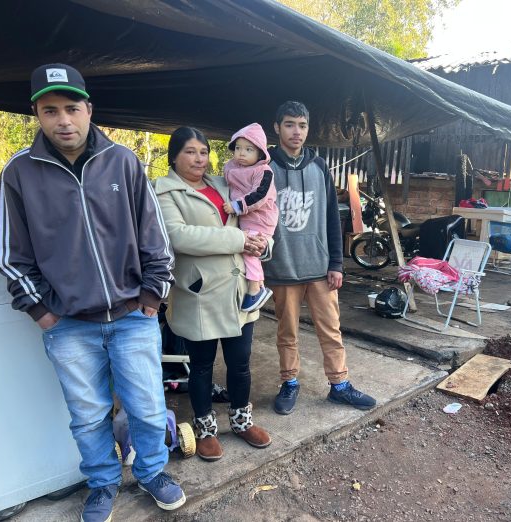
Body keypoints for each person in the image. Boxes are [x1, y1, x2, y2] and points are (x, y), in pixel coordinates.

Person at [0, 63, 185, 522]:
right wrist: (42, 311)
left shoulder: (123, 161)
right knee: (87, 415)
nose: (63, 120)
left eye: (71, 108)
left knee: (147, 407)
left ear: (89, 110)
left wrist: (151, 298)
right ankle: (102, 483)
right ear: (37, 115)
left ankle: (152, 473)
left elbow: (155, 238)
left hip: (132, 316)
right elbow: (11, 254)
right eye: (50, 110)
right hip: (69, 325)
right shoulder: (19, 172)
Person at [154, 127, 272, 462]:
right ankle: (205, 428)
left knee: (240, 363)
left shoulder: (224, 183)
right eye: (190, 152)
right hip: (200, 293)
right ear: (174, 156)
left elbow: (256, 215)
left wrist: (263, 244)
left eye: (204, 152)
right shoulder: (165, 191)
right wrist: (239, 241)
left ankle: (241, 420)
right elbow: (180, 236)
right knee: (202, 366)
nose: (199, 159)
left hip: (238, 291)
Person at [265, 101, 377, 415]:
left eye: (302, 125)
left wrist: (336, 264)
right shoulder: (265, 169)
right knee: (287, 332)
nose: (296, 132)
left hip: (318, 267)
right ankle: (289, 382)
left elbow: (331, 218)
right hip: (282, 267)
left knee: (331, 329)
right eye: (289, 124)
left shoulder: (319, 167)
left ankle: (339, 385)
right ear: (277, 128)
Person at [222, 123, 278, 312]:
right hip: (246, 219)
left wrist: (236, 206)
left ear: (260, 152)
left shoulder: (263, 171)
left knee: (250, 248)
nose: (241, 153)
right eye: (238, 148)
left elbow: (259, 195)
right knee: (248, 247)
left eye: (248, 149)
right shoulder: (231, 168)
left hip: (261, 218)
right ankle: (259, 283)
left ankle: (255, 289)